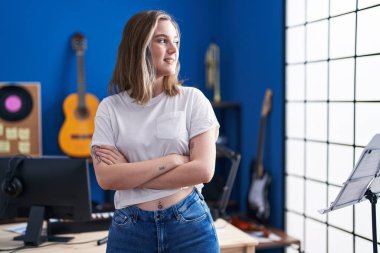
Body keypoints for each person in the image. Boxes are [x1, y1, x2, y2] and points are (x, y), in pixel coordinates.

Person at [90, 10, 220, 253]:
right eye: (162, 40)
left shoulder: (193, 100)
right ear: (138, 46)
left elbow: (203, 170)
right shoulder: (110, 109)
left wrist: (130, 173)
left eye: (176, 41)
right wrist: (173, 161)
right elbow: (107, 178)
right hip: (130, 229)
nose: (173, 49)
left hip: (189, 224)